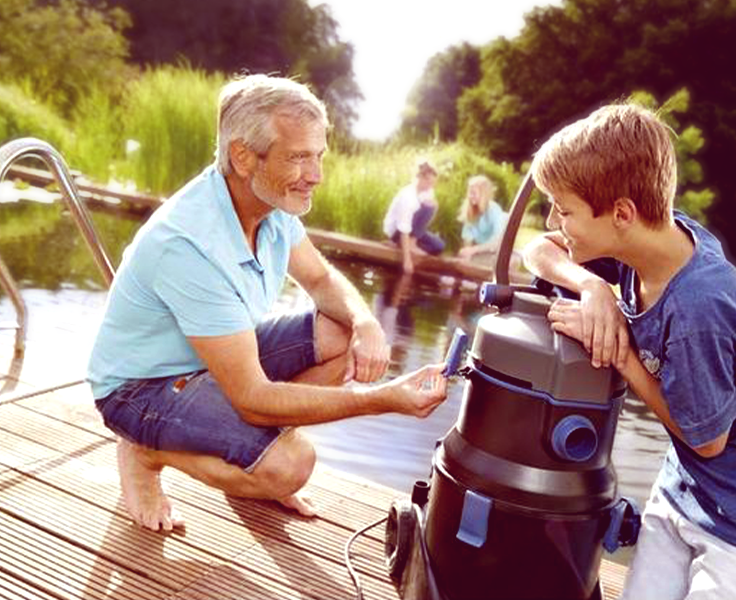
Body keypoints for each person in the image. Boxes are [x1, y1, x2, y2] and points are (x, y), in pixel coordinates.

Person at [86, 74, 450, 532]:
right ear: (242, 156)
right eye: (298, 158)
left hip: (210, 361)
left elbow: (319, 279)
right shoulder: (187, 244)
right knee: (291, 466)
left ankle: (250, 459)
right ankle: (146, 450)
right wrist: (382, 399)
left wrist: (365, 322)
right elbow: (255, 399)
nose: (315, 175)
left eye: (318, 156)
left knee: (339, 332)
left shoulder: (269, 205)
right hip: (142, 388)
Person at [521, 103, 736, 600]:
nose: (555, 220)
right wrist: (592, 287)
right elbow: (537, 249)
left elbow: (708, 439)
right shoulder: (655, 236)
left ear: (621, 213)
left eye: (564, 209)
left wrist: (619, 349)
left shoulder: (695, 311)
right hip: (689, 486)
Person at [383, 159, 444, 273]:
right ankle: (407, 244)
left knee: (439, 246)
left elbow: (425, 221)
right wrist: (407, 260)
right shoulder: (408, 196)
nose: (431, 186)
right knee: (428, 206)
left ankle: (402, 245)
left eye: (433, 183)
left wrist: (436, 208)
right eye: (429, 182)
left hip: (412, 230)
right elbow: (404, 228)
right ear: (420, 178)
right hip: (398, 231)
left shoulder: (428, 191)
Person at [456, 174, 508, 261]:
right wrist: (467, 253)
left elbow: (497, 241)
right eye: (469, 192)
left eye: (473, 193)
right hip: (481, 249)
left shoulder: (494, 210)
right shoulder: (471, 210)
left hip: (496, 248)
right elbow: (467, 238)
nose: (470, 196)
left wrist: (473, 250)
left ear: (484, 194)